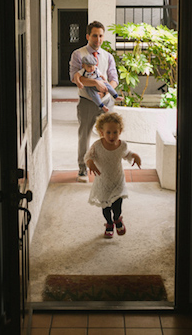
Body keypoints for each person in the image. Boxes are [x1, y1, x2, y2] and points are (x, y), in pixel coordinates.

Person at [69, 21, 119, 182]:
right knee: (84, 135)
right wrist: (95, 83)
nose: (98, 39)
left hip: (106, 102)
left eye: (101, 35)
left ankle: (109, 167)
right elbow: (75, 77)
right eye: (95, 35)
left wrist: (106, 88)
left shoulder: (108, 56)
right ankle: (82, 169)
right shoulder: (78, 54)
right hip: (87, 102)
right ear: (88, 36)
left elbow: (114, 79)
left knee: (110, 135)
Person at [85, 112, 141, 238]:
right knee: (105, 207)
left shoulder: (122, 145)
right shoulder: (97, 146)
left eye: (115, 132)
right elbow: (89, 156)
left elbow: (127, 154)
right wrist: (90, 163)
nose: (112, 136)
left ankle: (117, 219)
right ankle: (109, 223)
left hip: (117, 181)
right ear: (101, 132)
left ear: (120, 131)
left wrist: (134, 156)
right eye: (108, 132)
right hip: (103, 182)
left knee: (117, 205)